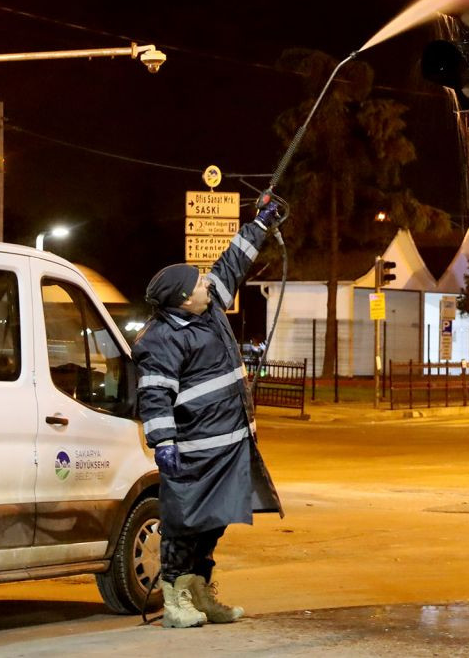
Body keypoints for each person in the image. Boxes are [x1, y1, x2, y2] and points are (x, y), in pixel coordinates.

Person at [134, 196, 285, 628]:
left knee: (213, 523)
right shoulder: (160, 339)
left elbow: (232, 261)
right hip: (195, 450)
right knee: (184, 524)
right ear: (183, 300)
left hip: (230, 443)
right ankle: (175, 600)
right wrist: (163, 443)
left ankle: (200, 591)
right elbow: (155, 395)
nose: (208, 283)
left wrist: (260, 222)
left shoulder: (210, 304)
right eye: (199, 283)